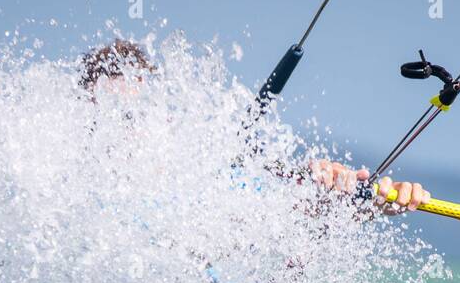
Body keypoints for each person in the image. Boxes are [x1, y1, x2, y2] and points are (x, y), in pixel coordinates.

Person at [80, 39, 432, 231]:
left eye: (141, 115)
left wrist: (366, 201)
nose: (132, 131)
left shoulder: (210, 184)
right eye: (120, 118)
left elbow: (293, 213)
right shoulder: (79, 211)